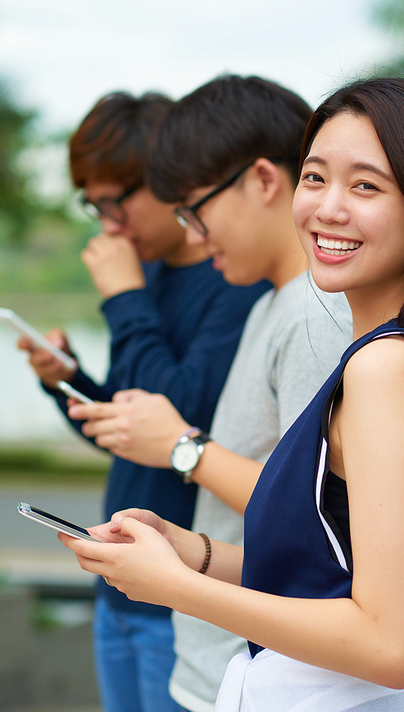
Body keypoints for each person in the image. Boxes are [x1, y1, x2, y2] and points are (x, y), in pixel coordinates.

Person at [60, 76, 404, 711]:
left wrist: (175, 586)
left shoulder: (383, 369)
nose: (326, 208)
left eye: (366, 186)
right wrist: (192, 553)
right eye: (316, 177)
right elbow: (330, 572)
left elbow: (388, 646)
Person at [62, 74, 353, 711]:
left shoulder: (316, 317)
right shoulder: (272, 309)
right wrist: (176, 541)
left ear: (262, 180)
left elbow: (320, 520)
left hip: (254, 667)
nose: (193, 235)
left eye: (196, 208)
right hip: (212, 660)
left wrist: (184, 449)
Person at [17, 91, 269, 712]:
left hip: (181, 593)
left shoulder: (232, 280)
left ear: (166, 181)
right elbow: (131, 429)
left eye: (115, 201)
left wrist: (125, 297)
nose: (108, 224)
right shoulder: (150, 275)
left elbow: (181, 420)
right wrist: (66, 381)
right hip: (118, 587)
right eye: (92, 203)